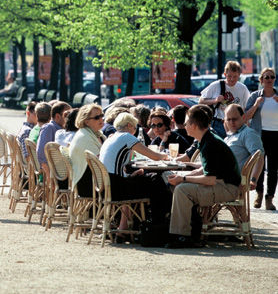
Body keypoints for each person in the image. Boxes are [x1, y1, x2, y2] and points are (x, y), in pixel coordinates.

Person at [166, 105, 241, 248]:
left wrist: (183, 178)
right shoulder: (208, 139)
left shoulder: (210, 144)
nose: (185, 125)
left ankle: (182, 236)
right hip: (223, 184)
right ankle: (192, 231)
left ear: (193, 125)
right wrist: (184, 175)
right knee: (180, 186)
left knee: (182, 190)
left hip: (227, 188)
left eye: (187, 123)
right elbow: (205, 170)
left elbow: (210, 179)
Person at [99, 112, 171, 229]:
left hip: (106, 185)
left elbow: (117, 166)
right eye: (134, 127)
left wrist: (132, 174)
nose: (135, 130)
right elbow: (153, 156)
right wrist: (166, 156)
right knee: (156, 181)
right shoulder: (127, 137)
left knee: (148, 179)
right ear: (129, 125)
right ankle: (157, 223)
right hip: (117, 188)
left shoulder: (111, 137)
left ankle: (124, 227)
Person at [244, 67, 278, 210]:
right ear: (261, 80)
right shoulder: (255, 96)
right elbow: (245, 117)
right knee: (259, 166)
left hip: (276, 134)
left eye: (272, 77)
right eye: (266, 77)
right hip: (260, 134)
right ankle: (259, 194)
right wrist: (257, 104)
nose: (269, 80)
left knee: (273, 169)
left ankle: (269, 198)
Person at [199, 60, 250, 138]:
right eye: (229, 76)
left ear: (239, 75)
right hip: (219, 124)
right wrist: (215, 100)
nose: (232, 79)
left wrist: (246, 124)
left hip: (236, 124)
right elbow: (201, 101)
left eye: (235, 76)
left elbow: (246, 108)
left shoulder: (243, 88)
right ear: (225, 74)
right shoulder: (216, 85)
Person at [67, 104, 105, 197]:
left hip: (96, 179)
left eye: (102, 116)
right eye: (97, 117)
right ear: (87, 122)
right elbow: (103, 161)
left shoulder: (97, 134)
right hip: (88, 184)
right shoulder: (84, 137)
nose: (101, 119)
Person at [36, 101, 72, 186]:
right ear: (57, 116)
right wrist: (49, 175)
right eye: (66, 115)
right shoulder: (49, 128)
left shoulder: (64, 130)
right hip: (56, 174)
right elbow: (41, 153)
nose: (69, 118)